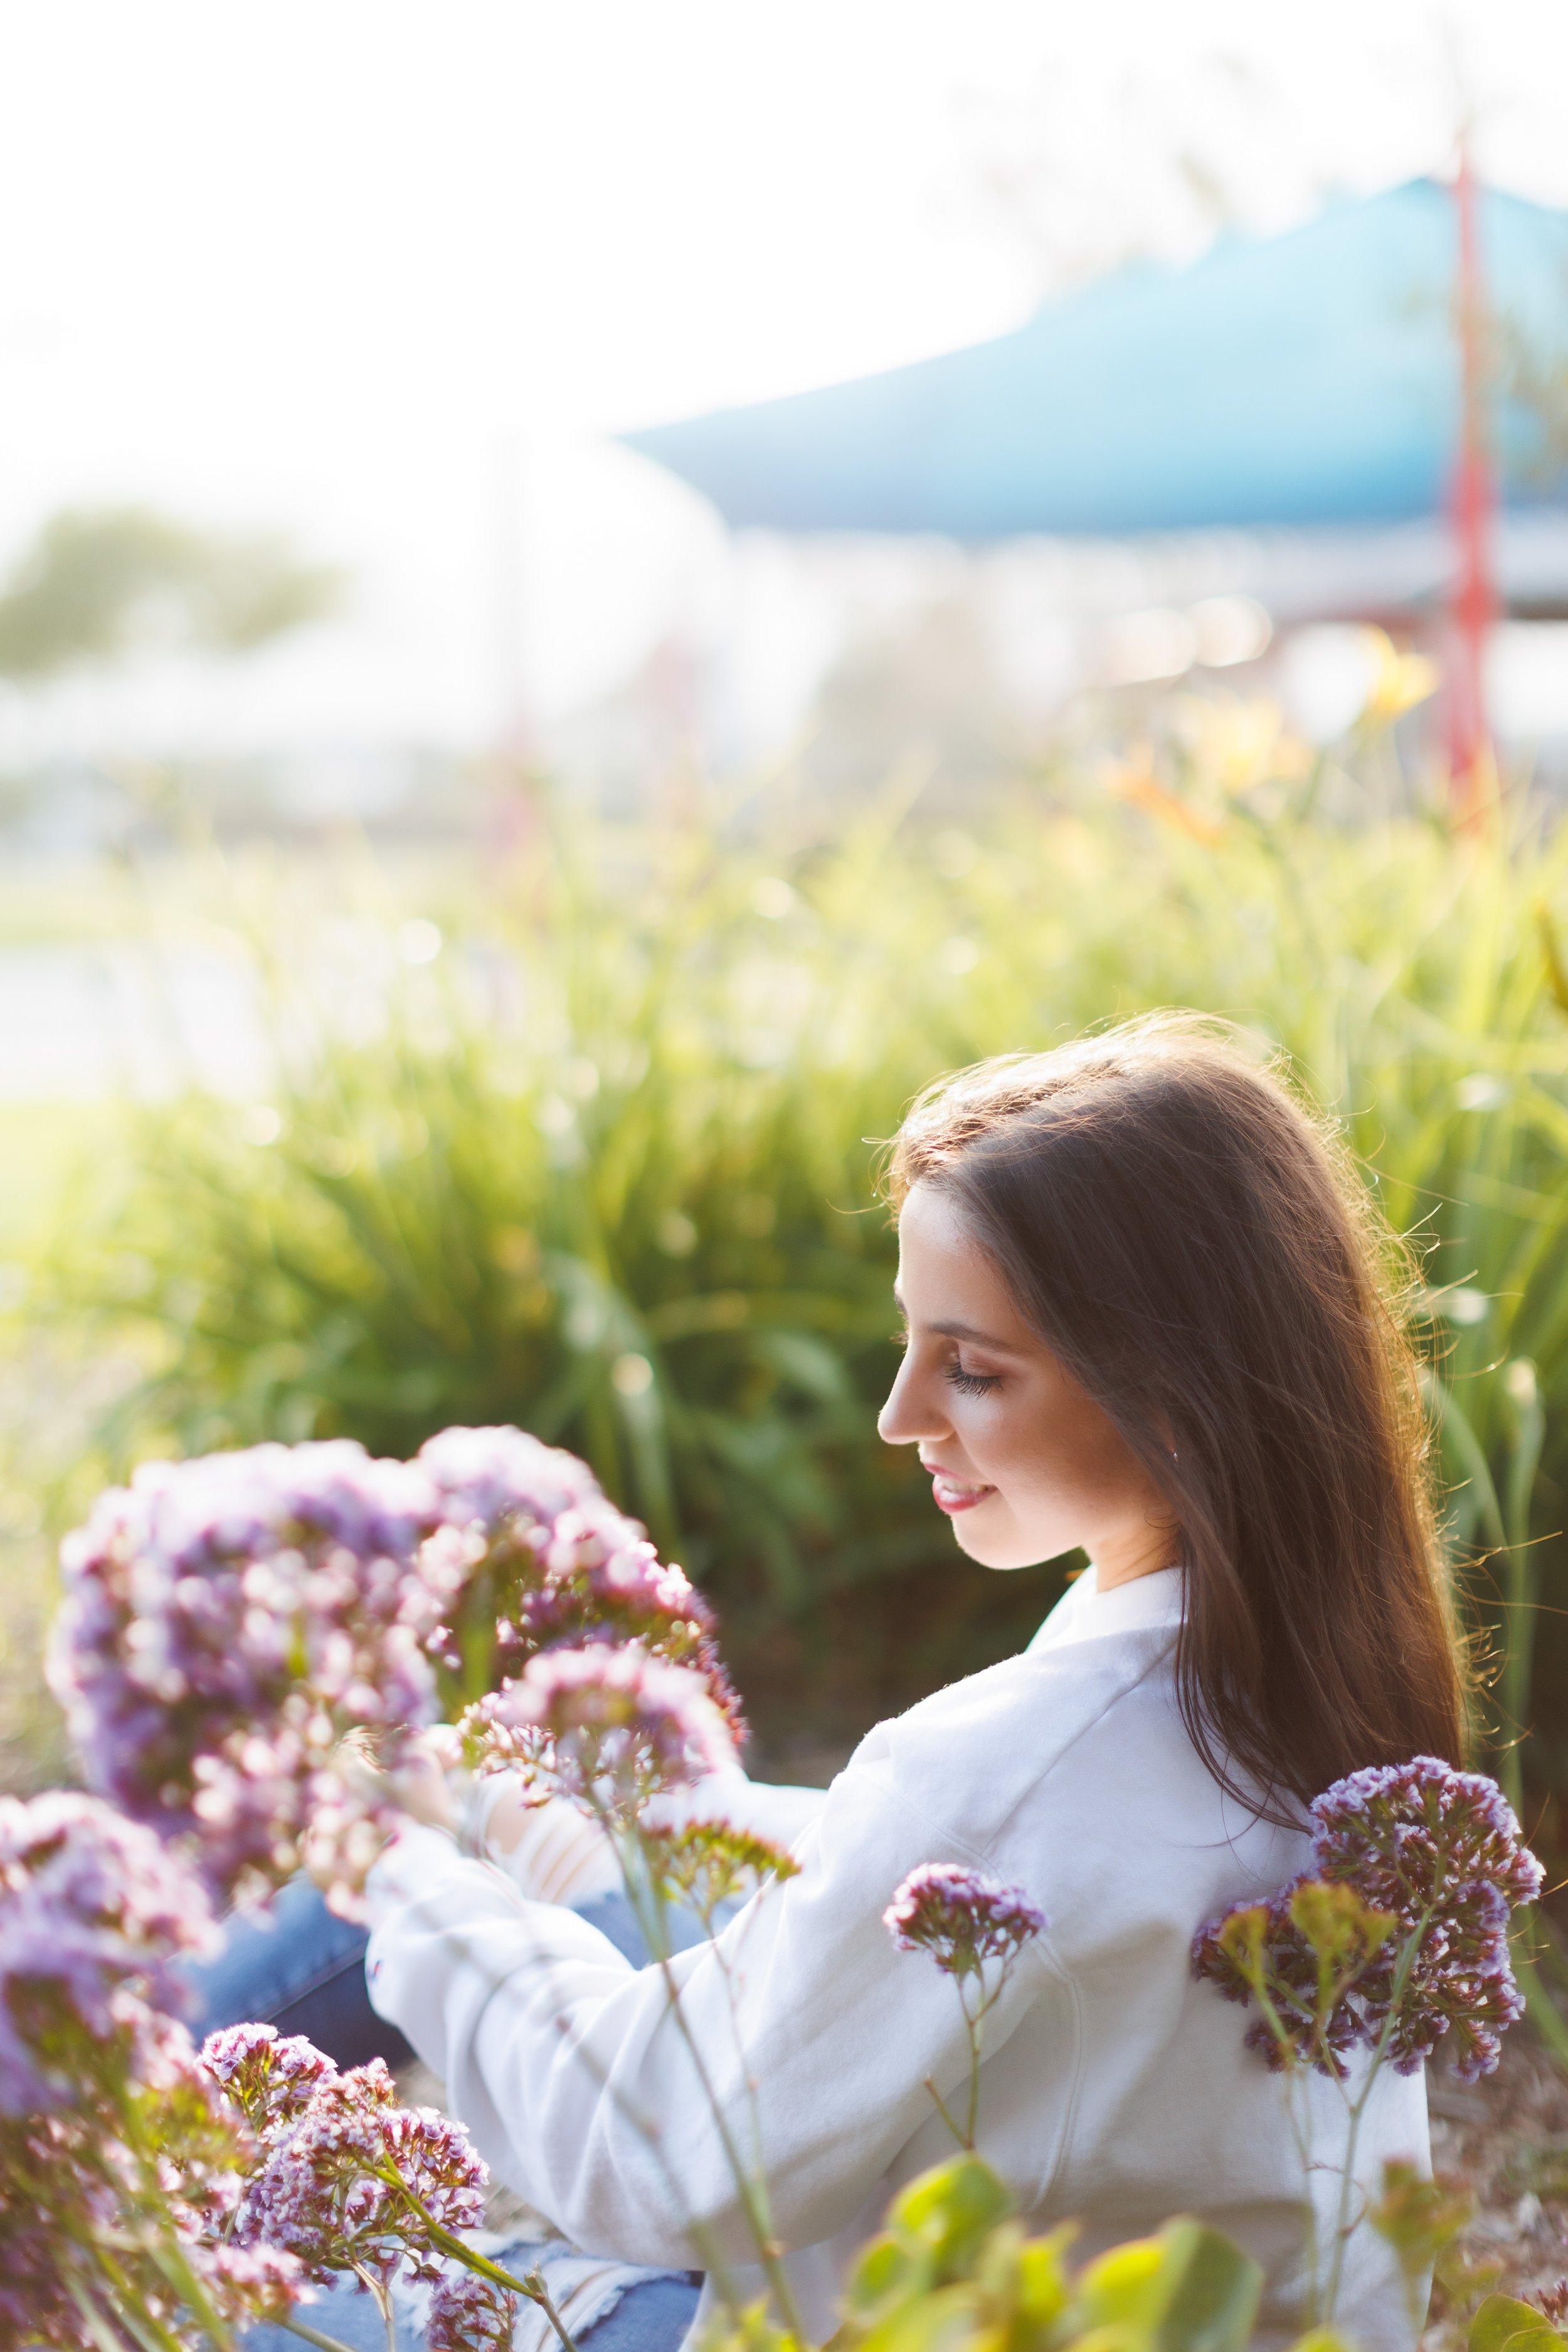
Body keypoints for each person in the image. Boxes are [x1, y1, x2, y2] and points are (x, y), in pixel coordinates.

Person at [282, 1017, 1470, 2350]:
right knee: (500, 1841)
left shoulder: (1007, 1762)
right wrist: (621, 1817)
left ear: (1173, 1398)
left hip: (894, 2318)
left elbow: (658, 2161)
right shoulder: (1304, 1680)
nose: (897, 1415)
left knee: (226, 2283)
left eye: (970, 1369)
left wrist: (399, 1870)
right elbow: (994, 1873)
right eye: (911, 1346)